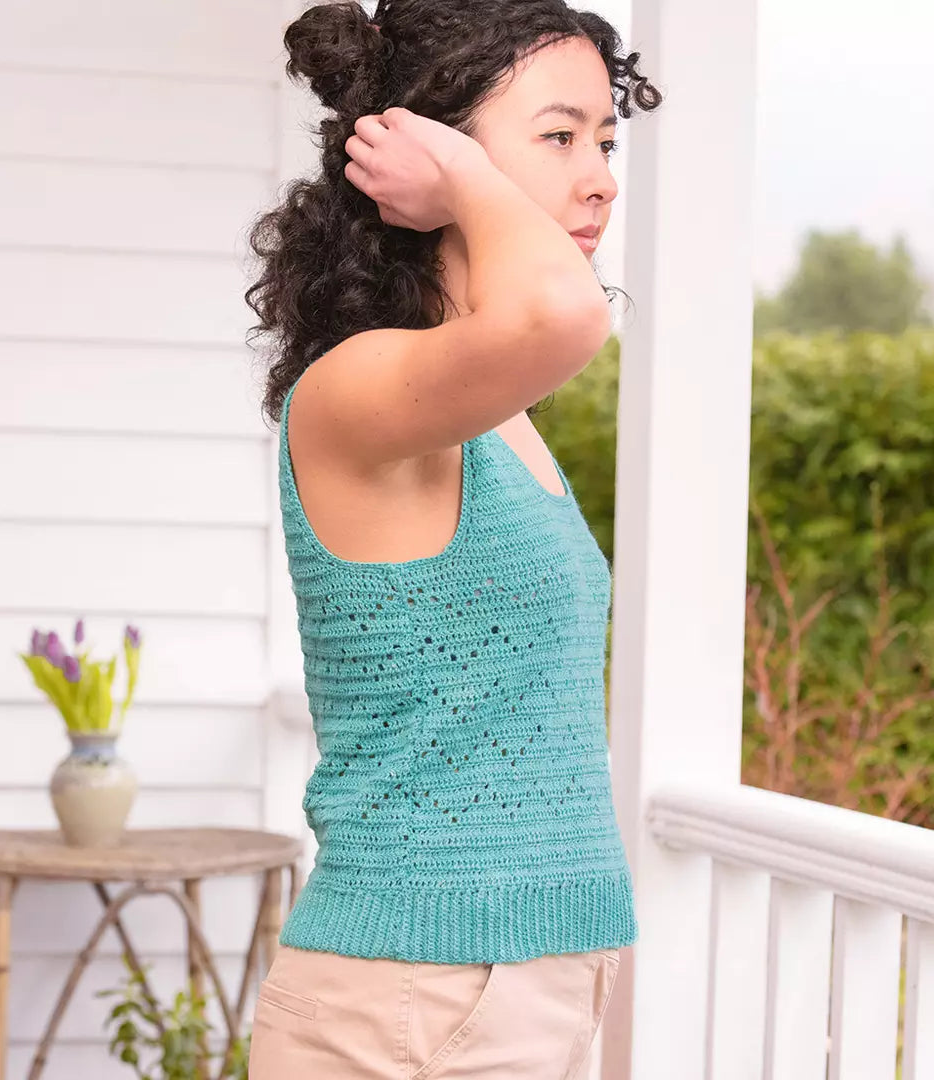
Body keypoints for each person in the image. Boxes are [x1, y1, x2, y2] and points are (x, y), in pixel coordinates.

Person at [243, 1, 662, 1076]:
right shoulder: (358, 387)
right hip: (411, 1002)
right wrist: (468, 184)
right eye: (559, 135)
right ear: (427, 150)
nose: (602, 177)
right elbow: (568, 317)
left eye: (607, 140)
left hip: (512, 986)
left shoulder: (488, 411)